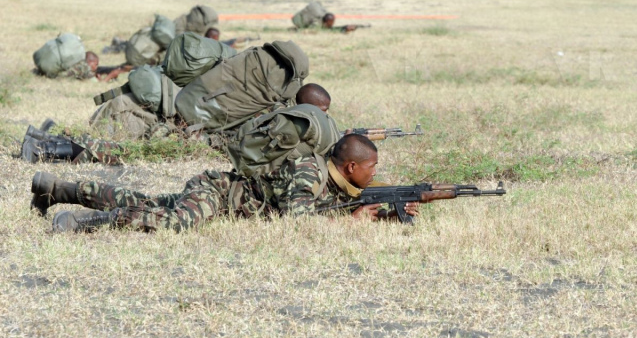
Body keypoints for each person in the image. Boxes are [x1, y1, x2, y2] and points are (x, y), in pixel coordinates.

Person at [31, 134, 419, 233]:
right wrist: (348, 224)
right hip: (219, 194)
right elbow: (297, 222)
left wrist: (382, 216)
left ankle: (58, 189)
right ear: (350, 167)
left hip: (223, 195)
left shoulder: (333, 181)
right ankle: (83, 225)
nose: (374, 173)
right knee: (174, 222)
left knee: (146, 203)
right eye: (371, 168)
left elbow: (328, 208)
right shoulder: (310, 173)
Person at [19, 83, 332, 166]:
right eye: (322, 111)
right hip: (195, 142)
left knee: (126, 149)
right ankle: (44, 149)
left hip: (196, 135)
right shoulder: (280, 118)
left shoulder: (273, 109)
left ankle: (44, 139)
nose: (324, 118)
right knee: (124, 152)